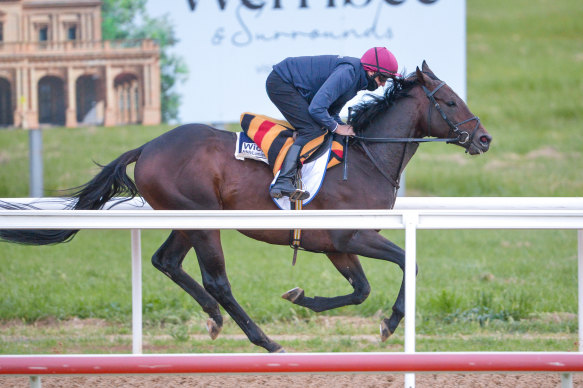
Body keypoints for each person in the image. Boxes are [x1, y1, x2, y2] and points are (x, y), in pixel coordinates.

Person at [266, 47, 400, 201]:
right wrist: (337, 128)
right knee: (312, 130)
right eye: (382, 78)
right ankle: (283, 181)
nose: (383, 84)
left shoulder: (357, 80)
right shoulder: (348, 74)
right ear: (371, 72)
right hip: (281, 82)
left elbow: (331, 113)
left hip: (293, 84)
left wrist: (348, 129)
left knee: (325, 128)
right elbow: (316, 108)